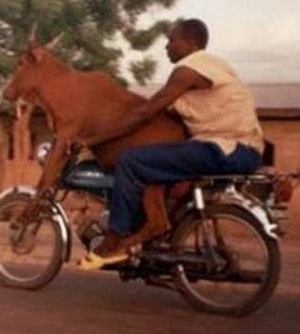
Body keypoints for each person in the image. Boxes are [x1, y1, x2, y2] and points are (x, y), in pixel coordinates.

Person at [76, 18, 264, 270]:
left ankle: (113, 239)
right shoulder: (215, 69)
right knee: (153, 164)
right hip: (241, 150)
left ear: (190, 42)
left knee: (131, 160)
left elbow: (145, 113)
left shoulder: (189, 68)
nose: (167, 46)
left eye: (172, 40)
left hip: (225, 149)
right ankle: (152, 231)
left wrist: (91, 140)